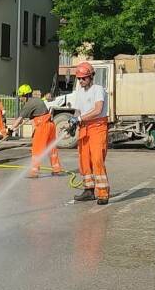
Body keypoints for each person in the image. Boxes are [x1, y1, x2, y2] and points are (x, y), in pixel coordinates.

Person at [68, 62, 110, 204]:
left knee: (97, 159)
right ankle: (88, 190)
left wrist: (79, 118)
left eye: (84, 78)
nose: (81, 81)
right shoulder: (80, 91)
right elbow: (78, 110)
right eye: (79, 79)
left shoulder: (98, 89)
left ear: (91, 76)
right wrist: (73, 122)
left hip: (97, 127)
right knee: (84, 160)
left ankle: (103, 193)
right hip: (84, 128)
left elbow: (98, 110)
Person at [8, 84, 63, 178]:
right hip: (50, 125)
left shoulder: (28, 104)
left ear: (25, 95)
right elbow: (36, 115)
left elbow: (19, 119)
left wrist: (11, 129)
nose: (20, 99)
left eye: (20, 96)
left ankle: (34, 172)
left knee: (37, 149)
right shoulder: (37, 100)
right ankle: (56, 169)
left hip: (43, 126)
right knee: (51, 148)